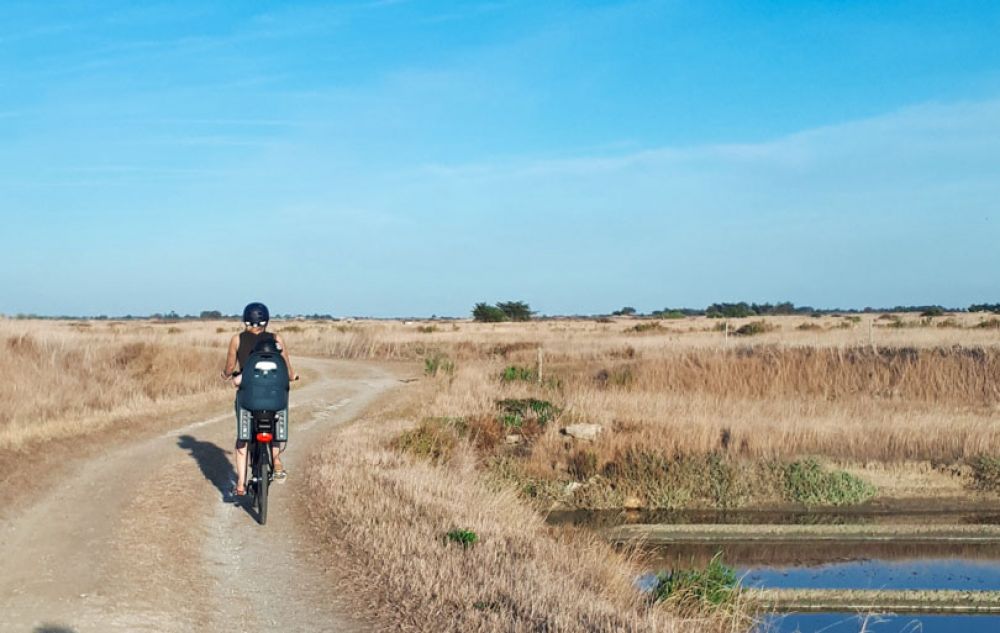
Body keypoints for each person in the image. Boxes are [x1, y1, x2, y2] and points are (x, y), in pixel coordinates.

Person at [221, 302, 298, 496]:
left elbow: (230, 367)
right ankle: (277, 460)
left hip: (248, 396)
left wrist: (226, 375)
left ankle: (240, 484)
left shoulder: (237, 339)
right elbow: (287, 370)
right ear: (266, 319)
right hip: (274, 398)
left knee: (242, 439)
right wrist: (292, 376)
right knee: (276, 421)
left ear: (246, 319)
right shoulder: (276, 338)